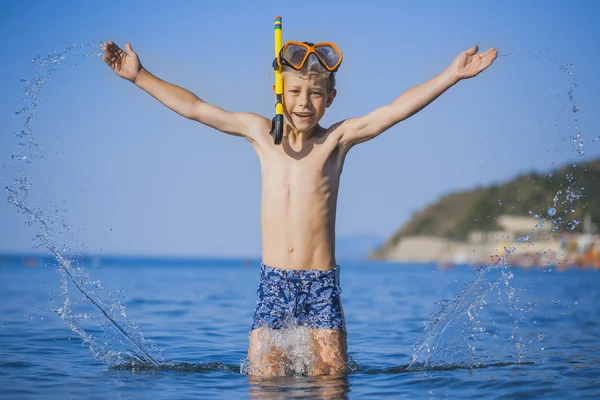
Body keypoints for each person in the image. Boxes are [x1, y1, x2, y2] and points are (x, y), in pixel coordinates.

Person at [102, 39, 497, 377]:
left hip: (320, 285)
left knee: (331, 384)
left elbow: (394, 110)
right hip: (273, 284)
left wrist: (451, 75)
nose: (304, 103)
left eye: (315, 93)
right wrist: (140, 76)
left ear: (330, 98)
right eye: (294, 92)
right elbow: (196, 107)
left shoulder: (337, 140)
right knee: (264, 382)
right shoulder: (260, 134)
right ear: (278, 91)